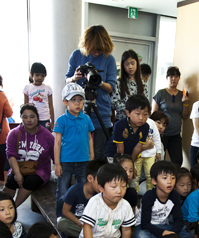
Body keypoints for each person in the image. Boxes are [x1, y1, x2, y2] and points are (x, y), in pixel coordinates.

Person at [65, 25, 117, 158]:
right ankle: (82, 177)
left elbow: (111, 87)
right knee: (79, 149)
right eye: (93, 49)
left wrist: (99, 82)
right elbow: (66, 80)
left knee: (99, 152)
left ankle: (97, 178)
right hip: (78, 110)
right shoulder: (77, 55)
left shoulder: (108, 59)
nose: (96, 52)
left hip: (101, 110)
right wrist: (74, 78)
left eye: (100, 50)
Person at [54, 83, 95, 213]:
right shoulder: (61, 120)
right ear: (65, 101)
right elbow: (57, 143)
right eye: (73, 100)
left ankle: (81, 212)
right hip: (66, 161)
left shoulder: (86, 118)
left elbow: (89, 138)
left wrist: (92, 155)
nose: (77, 103)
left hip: (83, 160)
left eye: (80, 100)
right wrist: (57, 164)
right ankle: (61, 214)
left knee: (84, 187)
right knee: (63, 189)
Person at [4, 104, 55, 209]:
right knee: (11, 181)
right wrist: (17, 174)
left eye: (32, 116)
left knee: (30, 181)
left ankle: (12, 208)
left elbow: (55, 155)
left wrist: (60, 168)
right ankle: (2, 207)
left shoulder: (47, 135)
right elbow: (11, 155)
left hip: (40, 170)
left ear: (37, 117)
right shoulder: (13, 134)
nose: (29, 120)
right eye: (25, 117)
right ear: (21, 118)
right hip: (20, 167)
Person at [134, 160, 183, 238]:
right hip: (147, 228)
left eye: (172, 178)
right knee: (141, 236)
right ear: (154, 181)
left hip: (164, 226)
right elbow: (145, 224)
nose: (169, 182)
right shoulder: (148, 197)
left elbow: (179, 219)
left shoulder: (175, 195)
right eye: (165, 178)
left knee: (189, 231)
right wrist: (164, 233)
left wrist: (171, 232)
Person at [57, 158, 105, 238]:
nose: (104, 185)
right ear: (90, 178)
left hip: (91, 221)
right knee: (62, 224)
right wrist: (80, 224)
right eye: (101, 181)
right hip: (76, 220)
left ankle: (88, 236)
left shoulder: (102, 193)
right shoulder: (74, 190)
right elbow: (65, 212)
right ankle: (92, 237)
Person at [152, 66, 190, 166]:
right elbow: (153, 115)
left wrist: (185, 103)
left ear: (179, 78)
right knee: (158, 160)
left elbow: (184, 115)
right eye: (171, 76)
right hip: (161, 134)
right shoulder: (161, 93)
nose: (174, 79)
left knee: (177, 161)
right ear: (167, 78)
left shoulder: (183, 94)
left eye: (176, 76)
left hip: (175, 134)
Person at [104, 94, 151, 160]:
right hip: (113, 154)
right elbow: (120, 148)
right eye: (137, 114)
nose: (141, 118)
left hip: (128, 155)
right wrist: (124, 164)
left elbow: (138, 147)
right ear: (128, 113)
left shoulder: (145, 127)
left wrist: (131, 163)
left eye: (145, 114)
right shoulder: (119, 125)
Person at [111, 49, 148, 122]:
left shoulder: (143, 83)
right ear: (123, 65)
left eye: (132, 63)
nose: (130, 67)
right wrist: (133, 109)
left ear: (137, 63)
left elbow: (145, 103)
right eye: (127, 64)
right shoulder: (118, 83)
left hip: (138, 122)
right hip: (122, 121)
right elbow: (114, 104)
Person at [136, 110, 165, 191]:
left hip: (150, 154)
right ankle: (134, 196)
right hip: (138, 154)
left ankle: (150, 194)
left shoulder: (151, 122)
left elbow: (156, 137)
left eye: (145, 113)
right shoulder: (135, 122)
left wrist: (158, 152)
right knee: (135, 176)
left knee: (150, 175)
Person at [22, 62, 54, 129]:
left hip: (45, 118)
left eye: (42, 76)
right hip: (31, 119)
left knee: (45, 137)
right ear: (31, 74)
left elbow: (51, 106)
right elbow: (25, 106)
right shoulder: (27, 88)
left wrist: (53, 121)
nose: (40, 78)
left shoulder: (48, 88)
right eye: (37, 75)